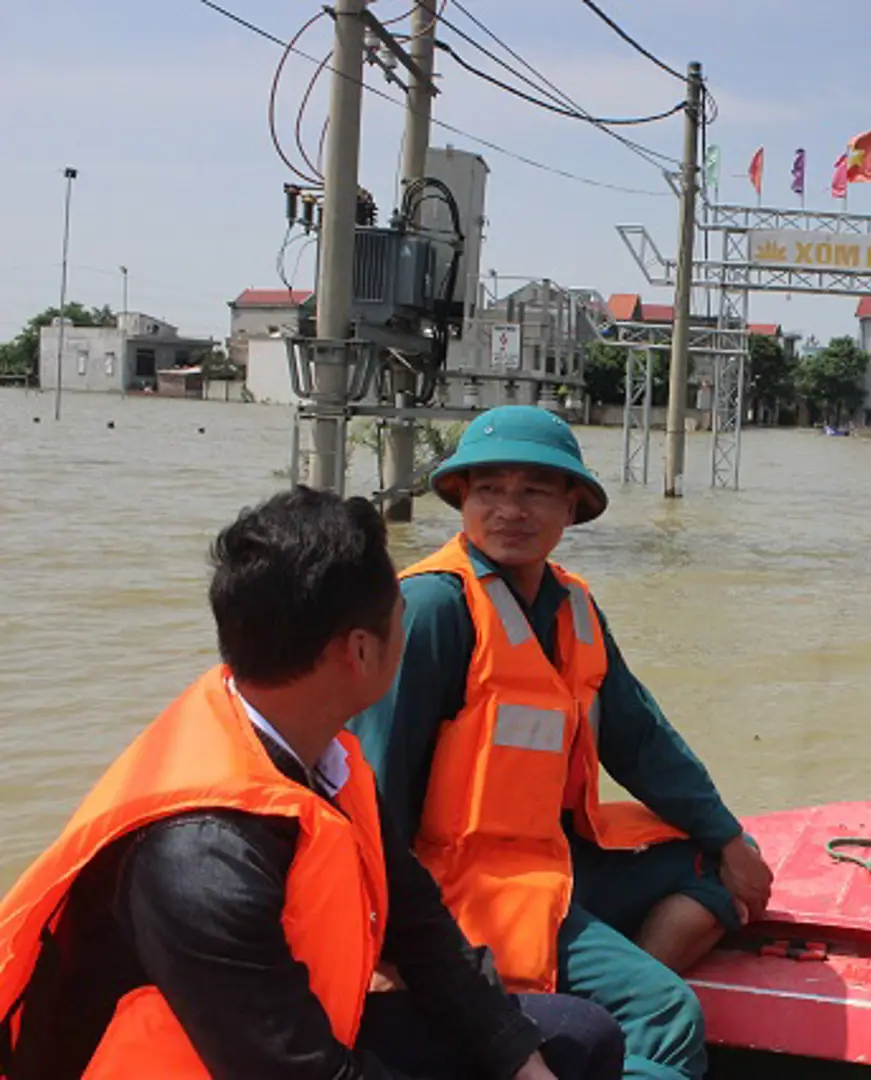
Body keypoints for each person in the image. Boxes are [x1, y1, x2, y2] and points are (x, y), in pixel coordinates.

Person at [0, 487, 623, 1080]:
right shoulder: (199, 857)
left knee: (575, 1038)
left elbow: (422, 932)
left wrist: (519, 1060)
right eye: (399, 619)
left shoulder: (322, 756)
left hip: (294, 1037)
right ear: (360, 652)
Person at [350, 405, 774, 1080]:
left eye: (534, 491)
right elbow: (370, 792)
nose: (509, 509)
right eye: (489, 489)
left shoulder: (572, 606)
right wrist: (386, 948)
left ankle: (572, 1013)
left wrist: (726, 838)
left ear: (571, 507)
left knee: (718, 869)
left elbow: (641, 740)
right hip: (462, 888)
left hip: (554, 861)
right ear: (462, 500)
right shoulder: (434, 610)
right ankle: (594, 1010)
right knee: (665, 1013)